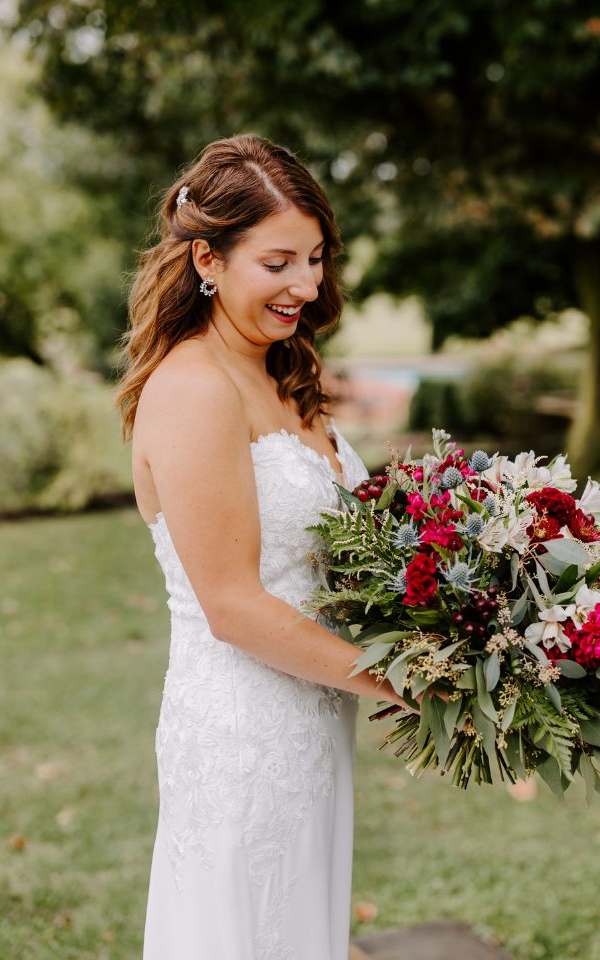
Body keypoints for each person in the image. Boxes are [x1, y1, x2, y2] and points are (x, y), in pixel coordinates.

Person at [116, 134, 409, 960]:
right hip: (243, 736)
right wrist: (407, 681)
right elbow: (234, 606)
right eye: (279, 262)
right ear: (208, 258)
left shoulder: (283, 373)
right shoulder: (192, 388)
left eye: (315, 259)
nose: (307, 285)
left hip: (313, 721)